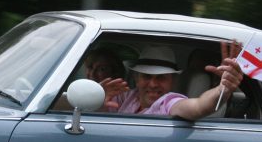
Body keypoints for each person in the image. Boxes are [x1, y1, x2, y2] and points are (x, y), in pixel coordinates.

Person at [100, 45, 243, 121]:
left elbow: (199, 106)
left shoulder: (169, 102)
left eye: (161, 77)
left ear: (172, 82)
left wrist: (222, 90)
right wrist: (98, 98)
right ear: (137, 79)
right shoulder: (126, 96)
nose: (153, 84)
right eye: (146, 76)